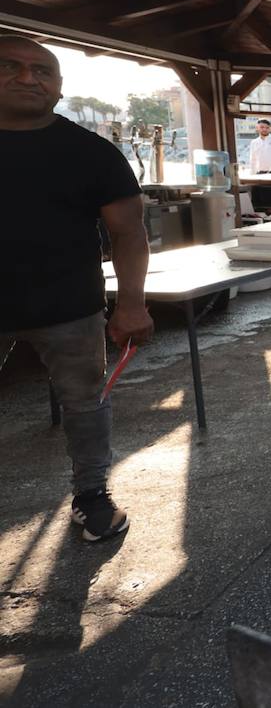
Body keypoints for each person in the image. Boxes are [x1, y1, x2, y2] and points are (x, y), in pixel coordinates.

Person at [0, 36, 153, 541]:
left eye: (42, 70)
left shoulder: (91, 153)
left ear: (59, 87)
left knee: (85, 403)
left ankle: (92, 496)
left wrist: (131, 304)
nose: (28, 78)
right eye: (12, 66)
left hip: (70, 306)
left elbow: (130, 232)